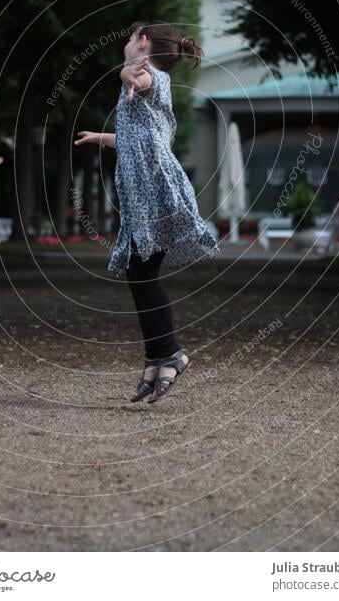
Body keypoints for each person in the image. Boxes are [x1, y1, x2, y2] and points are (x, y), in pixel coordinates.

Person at [74, 21, 220, 403]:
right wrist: (100, 138)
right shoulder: (143, 81)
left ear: (141, 43)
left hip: (154, 190)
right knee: (141, 274)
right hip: (143, 192)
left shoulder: (151, 77)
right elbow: (138, 136)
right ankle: (158, 358)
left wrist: (127, 71)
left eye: (129, 39)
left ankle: (169, 355)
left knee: (143, 274)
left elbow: (138, 82)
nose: (125, 45)